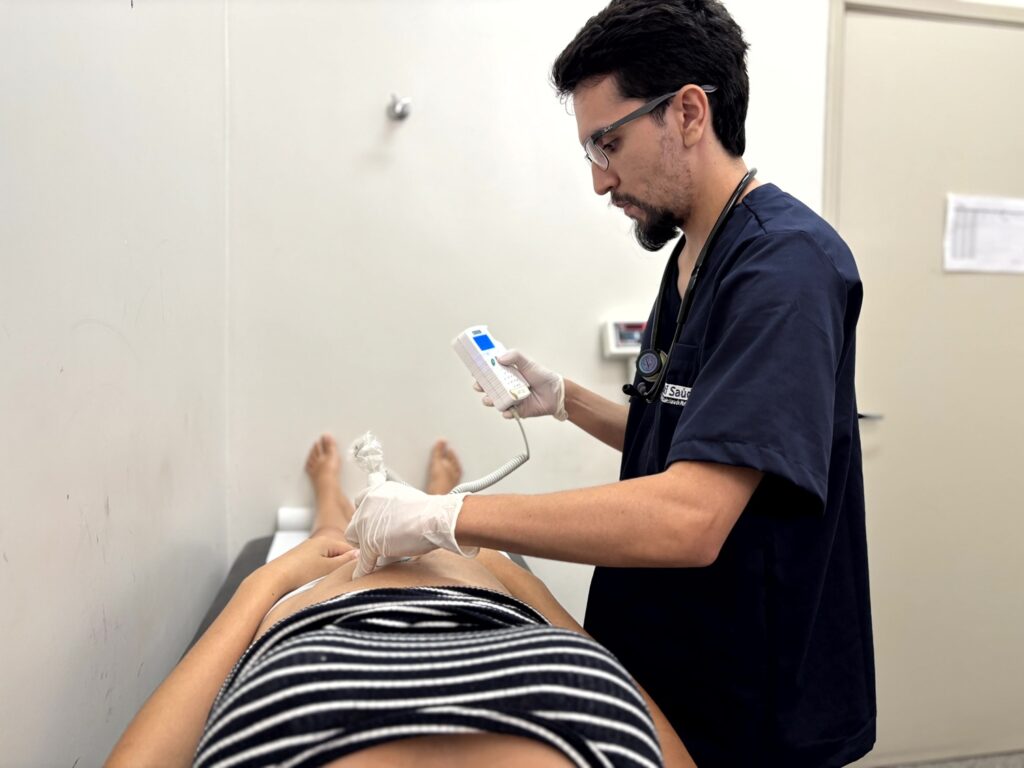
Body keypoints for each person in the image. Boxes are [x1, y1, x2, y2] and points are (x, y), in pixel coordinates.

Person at [344, 1, 876, 765]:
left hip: (751, 699)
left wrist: (448, 516)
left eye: (609, 142)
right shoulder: (693, 256)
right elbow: (693, 437)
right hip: (665, 666)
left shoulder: (786, 269)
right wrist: (566, 400)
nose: (600, 181)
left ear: (688, 112)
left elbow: (690, 516)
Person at [107, 435, 696, 768]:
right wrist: (513, 577)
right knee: (459, 548)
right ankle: (437, 497)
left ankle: (332, 502)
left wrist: (267, 583)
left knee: (333, 541)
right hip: (512, 631)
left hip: (329, 627)